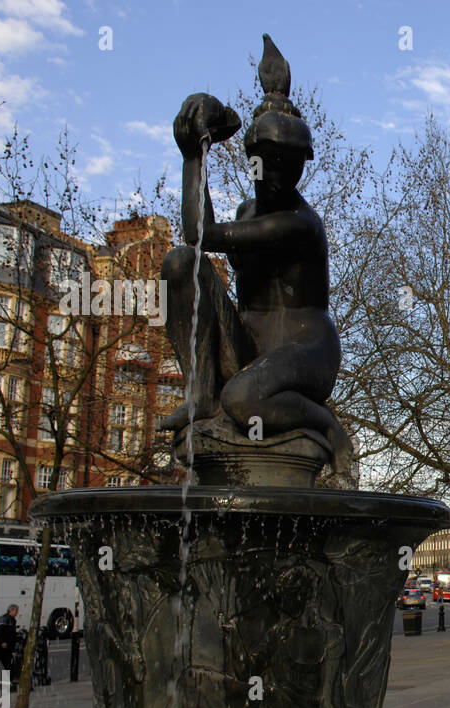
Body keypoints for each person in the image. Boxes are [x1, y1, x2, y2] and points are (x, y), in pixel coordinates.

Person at [157, 36, 352, 473]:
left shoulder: (299, 224)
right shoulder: (248, 213)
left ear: (303, 163)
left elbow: (202, 231)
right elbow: (195, 242)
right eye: (269, 160)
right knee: (179, 265)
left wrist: (194, 153)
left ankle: (326, 425)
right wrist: (196, 152)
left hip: (307, 351)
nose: (278, 173)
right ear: (253, 160)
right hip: (252, 347)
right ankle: (199, 394)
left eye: (290, 162)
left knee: (244, 398)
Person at [0, 603, 19, 671]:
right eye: (16, 611)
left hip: (7, 646)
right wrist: (2, 642)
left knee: (7, 664)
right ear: (11, 610)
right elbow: (0, 632)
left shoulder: (12, 620)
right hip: (2, 646)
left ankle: (11, 678)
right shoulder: (5, 619)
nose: (17, 613)